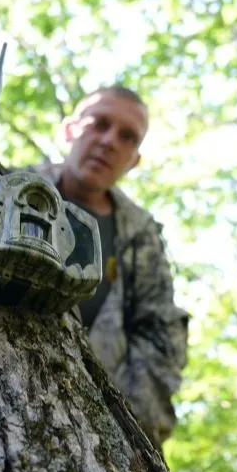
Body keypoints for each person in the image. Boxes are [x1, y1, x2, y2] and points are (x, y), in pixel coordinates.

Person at [31, 86, 190, 448]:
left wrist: (126, 430)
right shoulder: (12, 190)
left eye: (127, 137)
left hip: (98, 429)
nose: (108, 141)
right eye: (98, 124)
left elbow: (160, 334)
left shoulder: (140, 235)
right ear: (71, 130)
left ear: (134, 159)